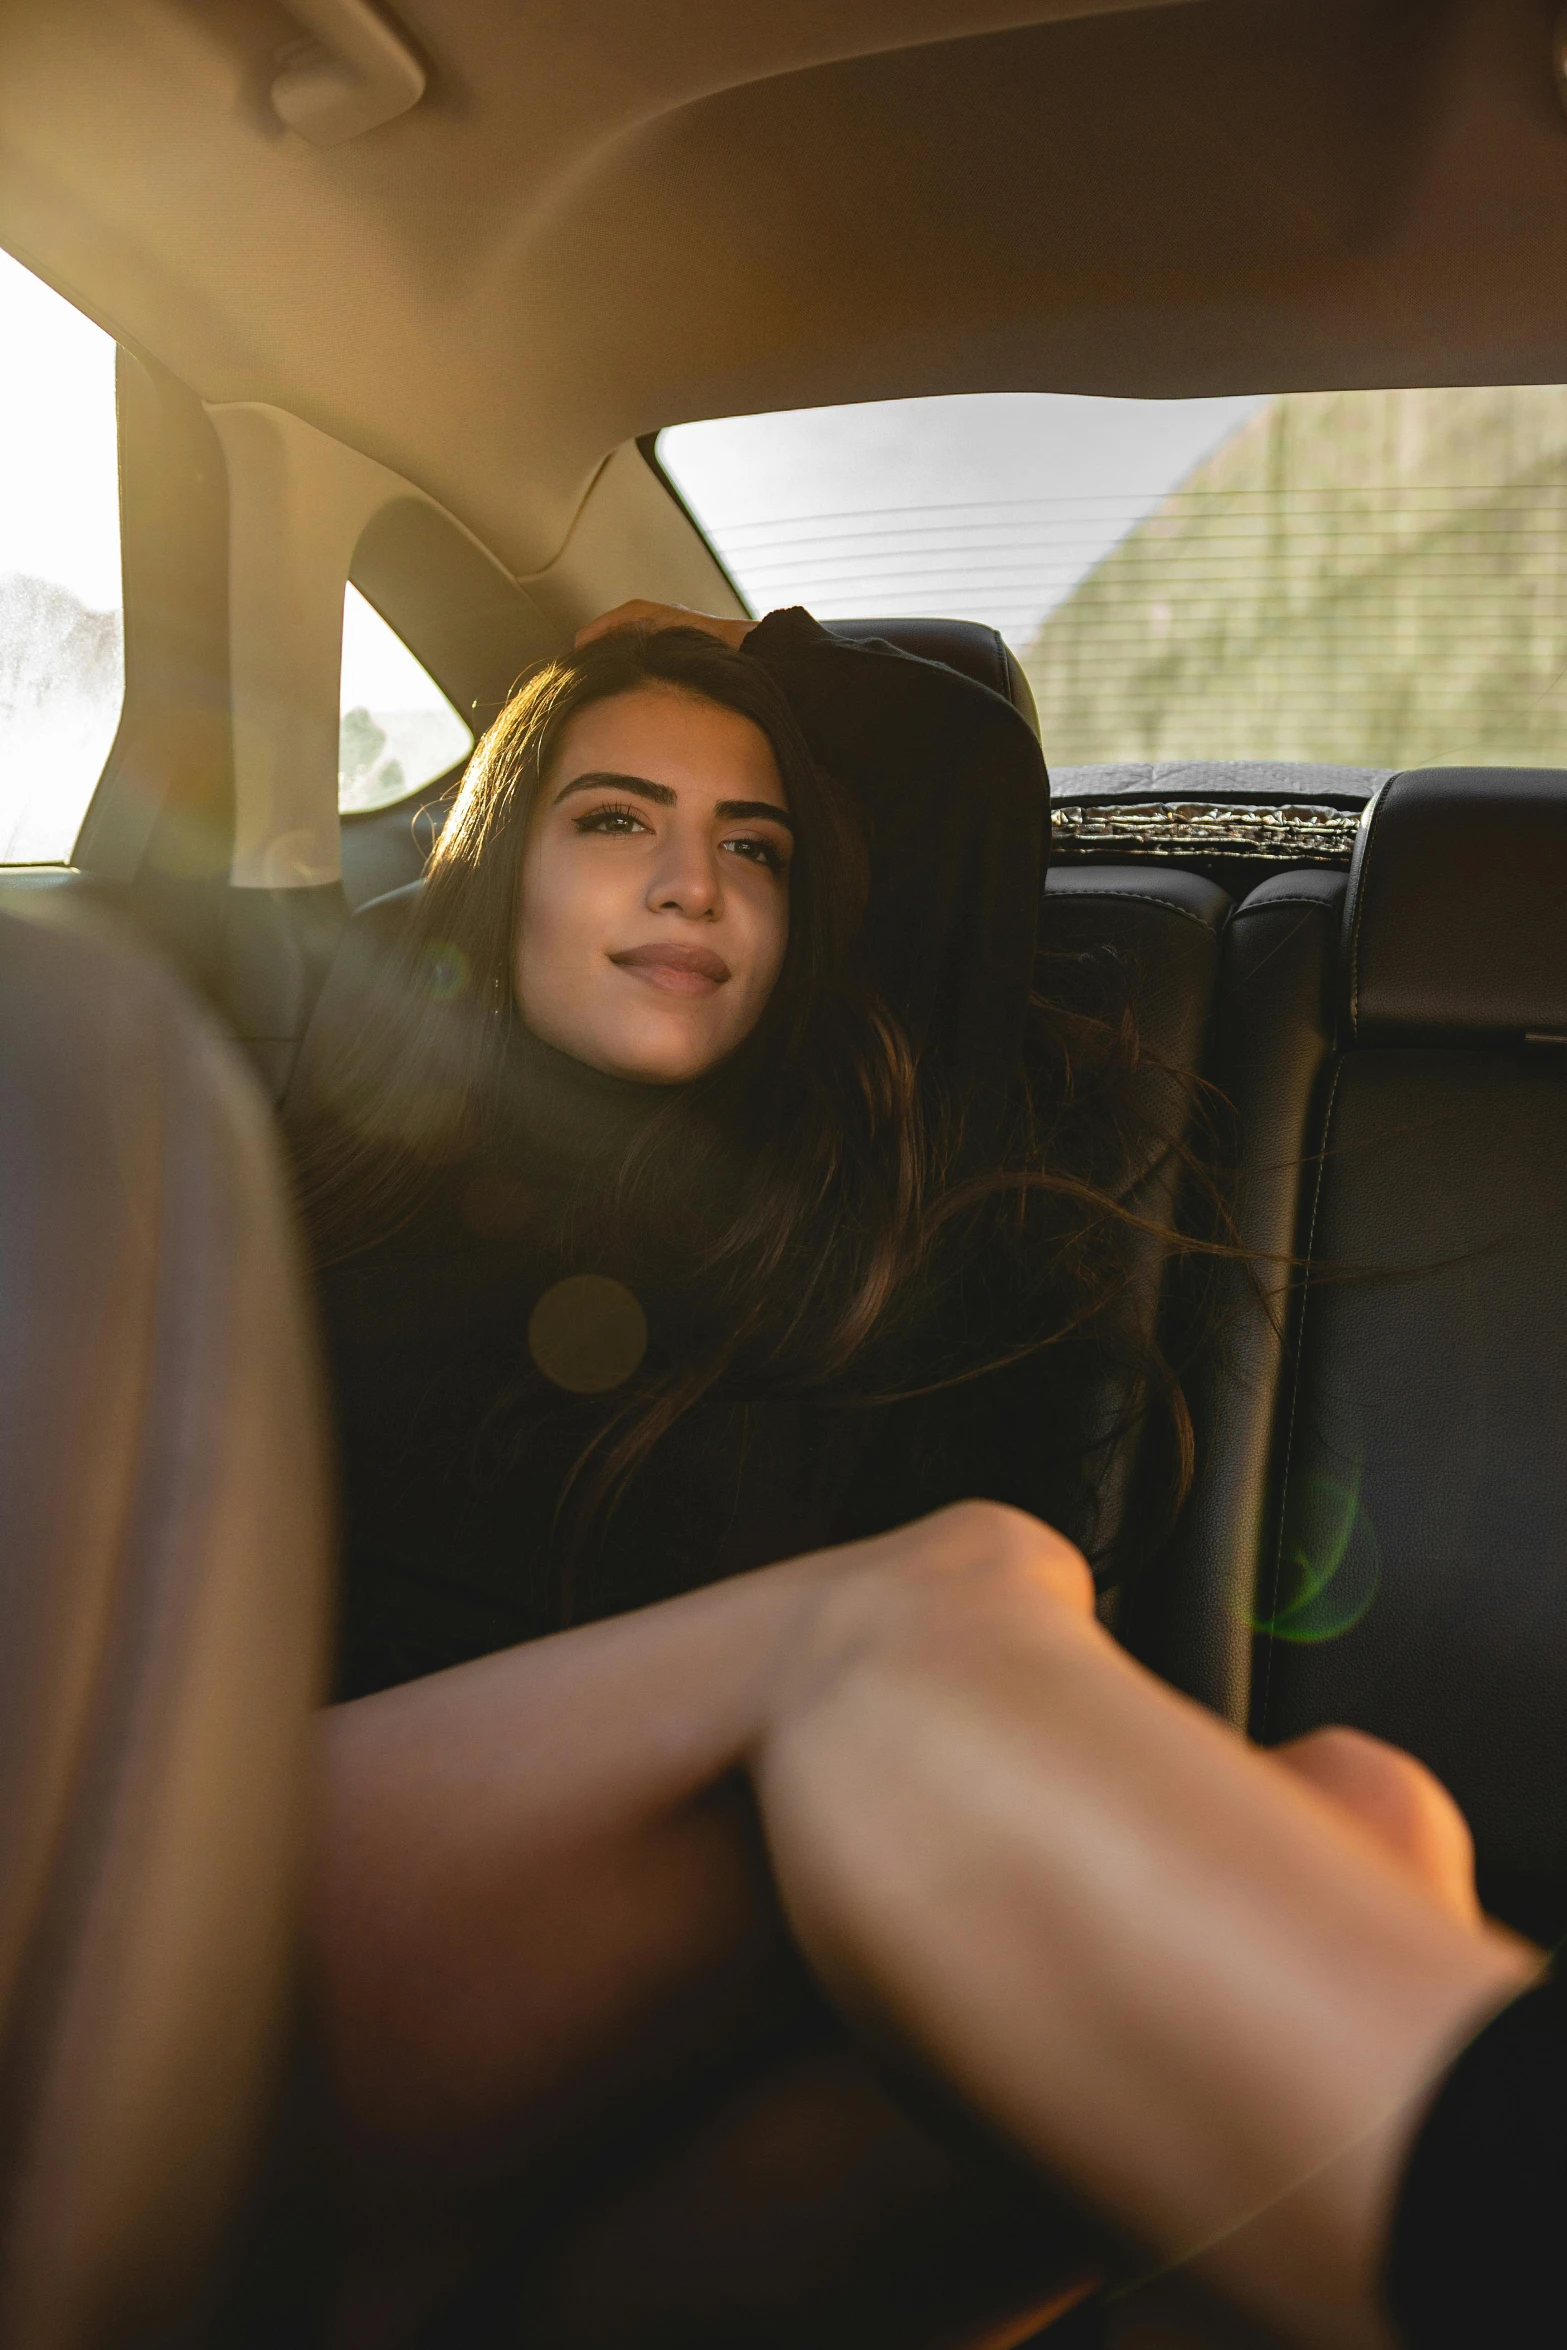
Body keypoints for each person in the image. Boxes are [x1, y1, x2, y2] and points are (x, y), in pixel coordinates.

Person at [299, 603, 1529, 2349]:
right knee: (950, 1593)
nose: (690, 882)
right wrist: (718, 636)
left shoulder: (847, 1226)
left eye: (758, 845)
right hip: (235, 1933)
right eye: (613, 818)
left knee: (1373, 1813)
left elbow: (954, 792)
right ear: (494, 856)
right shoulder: (323, 1145)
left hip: (597, 2112)